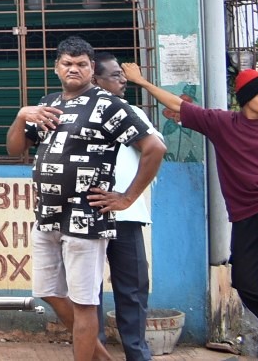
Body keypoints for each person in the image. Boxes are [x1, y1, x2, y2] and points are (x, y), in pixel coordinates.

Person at [7, 36, 165, 361]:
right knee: (48, 292)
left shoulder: (108, 105)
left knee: (84, 302)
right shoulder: (49, 105)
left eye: (81, 64)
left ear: (92, 69)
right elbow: (15, 149)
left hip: (86, 217)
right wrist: (23, 115)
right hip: (47, 215)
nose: (74, 69)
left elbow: (154, 148)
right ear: (56, 68)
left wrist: (126, 198)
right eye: (67, 63)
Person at [133, 64, 258, 361]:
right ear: (246, 97)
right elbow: (177, 105)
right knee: (246, 283)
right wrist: (142, 82)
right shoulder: (223, 123)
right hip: (244, 215)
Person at [92, 53, 166, 361]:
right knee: (87, 294)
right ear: (96, 81)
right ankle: (94, 352)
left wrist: (126, 197)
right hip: (89, 216)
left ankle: (137, 354)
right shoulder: (79, 111)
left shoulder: (132, 112)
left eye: (123, 75)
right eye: (115, 75)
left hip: (126, 216)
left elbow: (154, 151)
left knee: (133, 290)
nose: (123, 80)